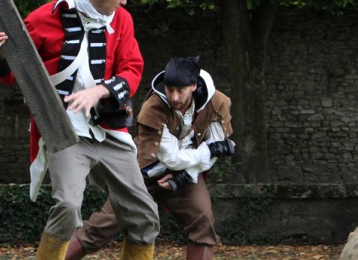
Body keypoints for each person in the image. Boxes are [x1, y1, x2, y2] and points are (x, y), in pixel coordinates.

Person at [0, 0, 159, 259]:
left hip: (108, 130)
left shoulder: (122, 19)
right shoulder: (43, 17)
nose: (123, 1)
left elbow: (131, 69)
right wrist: (0, 51)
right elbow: (13, 74)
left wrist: (99, 91)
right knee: (66, 206)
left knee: (144, 214)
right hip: (63, 130)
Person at [65, 56, 235, 260]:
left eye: (179, 90)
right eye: (169, 89)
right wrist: (206, 152)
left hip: (184, 177)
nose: (173, 96)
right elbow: (173, 158)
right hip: (142, 174)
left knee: (202, 221)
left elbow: (216, 146)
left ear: (193, 86)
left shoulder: (216, 103)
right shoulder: (153, 108)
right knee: (101, 227)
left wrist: (184, 175)